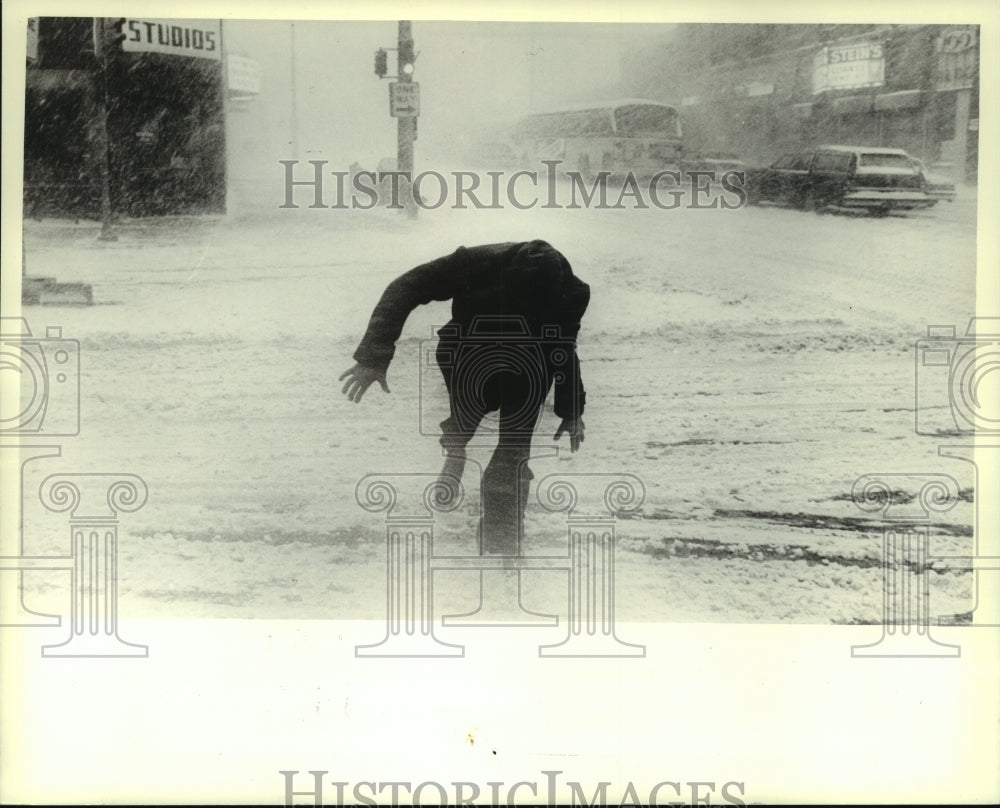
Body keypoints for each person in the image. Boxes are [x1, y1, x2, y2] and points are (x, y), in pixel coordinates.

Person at [341, 240, 590, 553]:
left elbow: (564, 348)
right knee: (472, 405)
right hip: (469, 350)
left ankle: (501, 534)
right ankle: (458, 442)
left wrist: (572, 409)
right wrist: (373, 356)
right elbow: (406, 286)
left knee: (513, 447)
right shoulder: (475, 262)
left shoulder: (571, 292)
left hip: (530, 363)